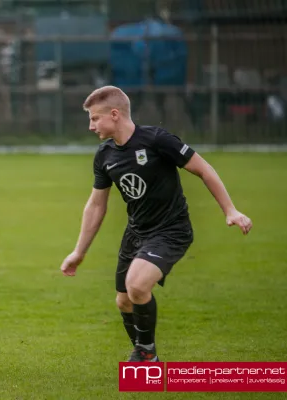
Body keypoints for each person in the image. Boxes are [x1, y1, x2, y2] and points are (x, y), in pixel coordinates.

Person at [60, 86, 252, 362]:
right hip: (136, 232)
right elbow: (96, 204)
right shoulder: (105, 155)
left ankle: (147, 356)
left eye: (94, 118)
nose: (91, 126)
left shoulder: (157, 140)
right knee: (124, 300)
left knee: (137, 286)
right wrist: (79, 252)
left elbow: (203, 169)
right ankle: (144, 353)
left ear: (114, 115)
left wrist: (230, 210)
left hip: (171, 230)